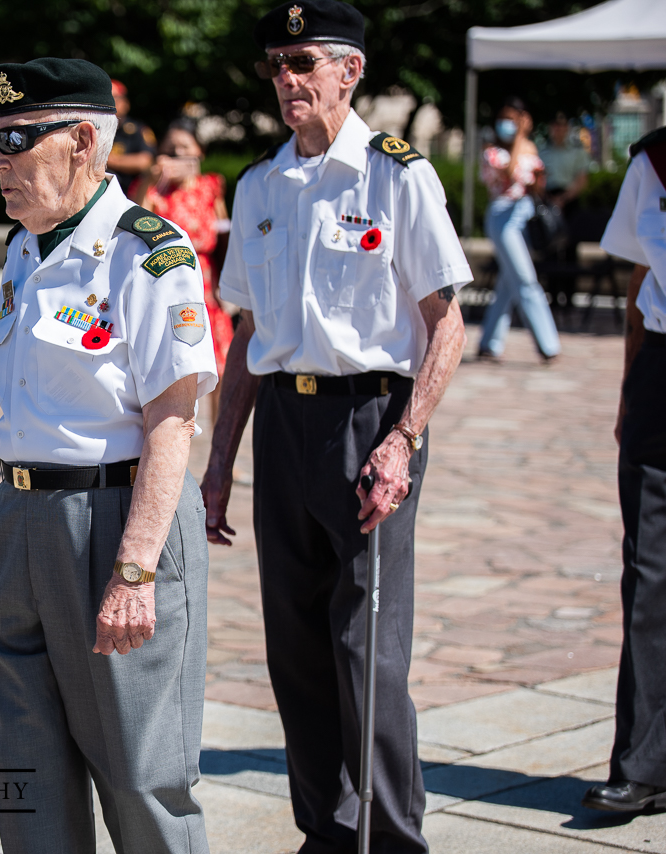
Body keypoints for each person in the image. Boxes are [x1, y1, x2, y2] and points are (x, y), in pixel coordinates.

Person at [202, 2, 472, 851]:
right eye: (277, 64)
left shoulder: (396, 175)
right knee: (296, 652)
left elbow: (446, 321)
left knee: (367, 652)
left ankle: (392, 838)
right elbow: (245, 338)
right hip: (284, 424)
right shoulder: (258, 187)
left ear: (349, 71)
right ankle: (324, 832)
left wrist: (404, 439)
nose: (287, 79)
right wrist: (220, 466)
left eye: (304, 62)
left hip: (370, 424)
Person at [0, 57, 218, 853]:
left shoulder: (149, 251)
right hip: (19, 517)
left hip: (115, 519)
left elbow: (174, 421)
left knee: (143, 779)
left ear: (81, 141)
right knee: (27, 778)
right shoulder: (23, 249)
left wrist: (136, 569)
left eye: (15, 139)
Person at [583, 125, 666, 815]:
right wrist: (629, 389)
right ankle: (643, 763)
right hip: (663, 373)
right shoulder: (658, 160)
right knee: (649, 572)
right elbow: (642, 277)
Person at [131, 116, 234, 417]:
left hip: (206, 289)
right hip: (165, 286)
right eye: (170, 150)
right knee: (169, 372)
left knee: (223, 367)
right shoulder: (153, 191)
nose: (177, 155)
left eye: (184, 148)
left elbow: (224, 233)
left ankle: (220, 452)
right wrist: (150, 181)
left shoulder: (211, 186)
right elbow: (135, 224)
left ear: (199, 151)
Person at [477, 97, 561, 363]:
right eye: (505, 120)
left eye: (514, 120)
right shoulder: (493, 152)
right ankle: (549, 345)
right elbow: (511, 174)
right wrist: (520, 139)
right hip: (502, 216)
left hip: (524, 215)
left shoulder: (529, 148)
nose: (508, 125)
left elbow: (538, 184)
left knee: (507, 282)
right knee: (525, 280)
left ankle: (489, 344)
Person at [538, 112, 590, 309]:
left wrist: (564, 198)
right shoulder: (543, 152)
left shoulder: (577, 151)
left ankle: (569, 298)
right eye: (554, 125)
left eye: (562, 125)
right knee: (549, 250)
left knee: (570, 250)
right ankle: (551, 297)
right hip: (548, 202)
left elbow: (582, 179)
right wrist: (551, 199)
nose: (558, 129)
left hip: (570, 202)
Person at [107, 79, 157, 192]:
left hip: (129, 192)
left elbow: (145, 161)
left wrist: (107, 160)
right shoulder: (95, 129)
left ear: (125, 104)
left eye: (113, 99)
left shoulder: (137, 130)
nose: (109, 104)